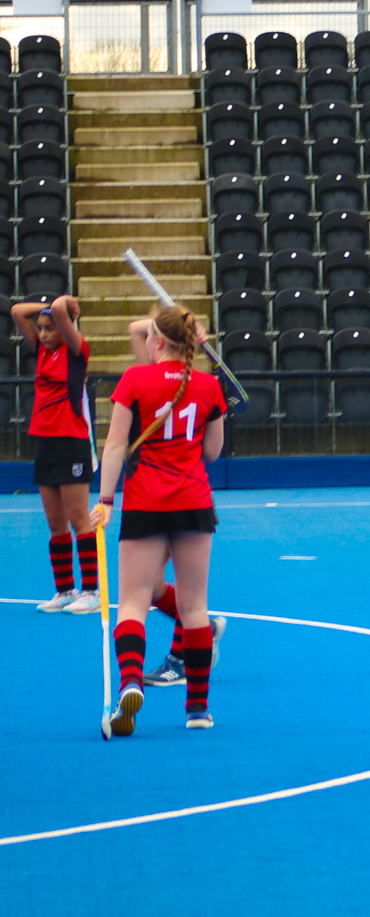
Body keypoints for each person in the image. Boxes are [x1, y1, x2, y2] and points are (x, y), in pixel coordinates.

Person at [92, 305, 228, 734]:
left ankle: (132, 682)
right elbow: (212, 453)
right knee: (195, 607)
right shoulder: (208, 385)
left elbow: (115, 445)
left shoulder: (135, 379)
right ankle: (198, 710)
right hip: (193, 501)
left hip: (146, 501)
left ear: (157, 341)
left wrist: (106, 500)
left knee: (133, 603)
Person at [15, 296, 98, 614]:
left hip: (72, 442)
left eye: (50, 328)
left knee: (78, 518)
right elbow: (16, 311)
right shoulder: (42, 350)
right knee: (55, 523)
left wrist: (61, 305)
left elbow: (63, 310)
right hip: (46, 443)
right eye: (41, 328)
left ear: (65, 328)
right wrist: (48, 306)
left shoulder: (77, 351)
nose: (44, 333)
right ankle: (65, 590)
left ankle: (91, 591)